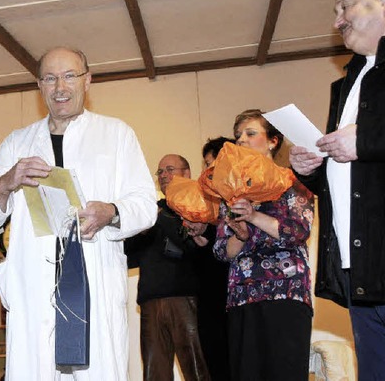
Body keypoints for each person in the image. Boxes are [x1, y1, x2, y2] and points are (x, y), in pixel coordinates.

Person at [0, 47, 157, 380]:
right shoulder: (17, 142)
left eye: (70, 76)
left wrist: (111, 212)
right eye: (50, 78)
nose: (61, 87)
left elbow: (145, 206)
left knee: (97, 369)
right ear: (39, 86)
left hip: (93, 279)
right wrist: (5, 183)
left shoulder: (116, 135)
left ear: (88, 80)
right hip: (34, 284)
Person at [289, 0, 385, 379]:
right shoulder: (347, 82)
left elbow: (382, 142)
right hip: (360, 270)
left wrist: (364, 140)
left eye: (345, 5)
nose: (337, 20)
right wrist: (312, 168)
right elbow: (355, 170)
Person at [213, 109, 314, 381]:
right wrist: (241, 234)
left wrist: (254, 216)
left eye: (251, 133)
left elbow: (298, 231)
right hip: (242, 296)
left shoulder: (293, 181)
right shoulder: (230, 190)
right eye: (238, 137)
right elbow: (223, 250)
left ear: (273, 141)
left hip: (286, 292)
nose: (242, 141)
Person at [125, 154, 210, 381]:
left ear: (187, 173)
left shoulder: (198, 204)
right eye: (160, 172)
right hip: (150, 299)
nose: (163, 175)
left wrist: (159, 216)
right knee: (155, 373)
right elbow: (130, 256)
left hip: (185, 297)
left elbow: (193, 245)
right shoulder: (153, 211)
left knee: (197, 368)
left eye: (169, 169)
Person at [195, 137, 233, 380]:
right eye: (207, 164)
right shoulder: (203, 199)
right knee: (214, 362)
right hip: (209, 296)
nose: (210, 170)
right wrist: (202, 239)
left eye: (214, 163)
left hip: (235, 293)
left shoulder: (248, 194)